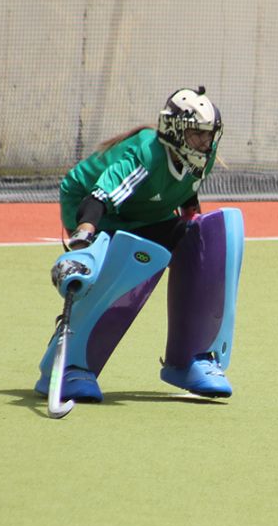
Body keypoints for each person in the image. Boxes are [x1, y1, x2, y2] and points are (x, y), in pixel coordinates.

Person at [35, 87, 245, 403]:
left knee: (207, 239)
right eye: (197, 135)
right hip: (95, 210)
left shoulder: (203, 155)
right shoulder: (144, 155)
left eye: (209, 135)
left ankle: (190, 359)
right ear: (174, 131)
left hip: (145, 210)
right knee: (123, 261)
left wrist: (192, 224)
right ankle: (69, 365)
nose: (206, 143)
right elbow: (100, 198)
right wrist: (84, 243)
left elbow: (186, 188)